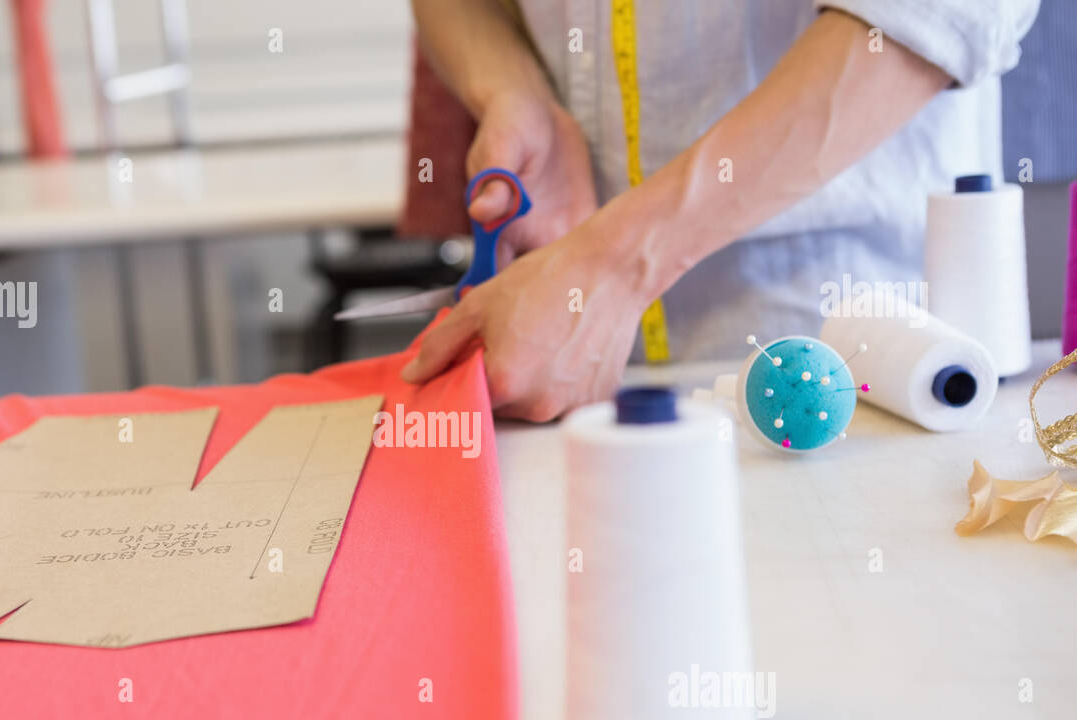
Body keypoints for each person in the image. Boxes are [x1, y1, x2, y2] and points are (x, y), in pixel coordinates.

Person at [402, 0, 1040, 421]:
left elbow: (934, 10)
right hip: (569, 345)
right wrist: (513, 86)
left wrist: (619, 261)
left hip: (858, 348)